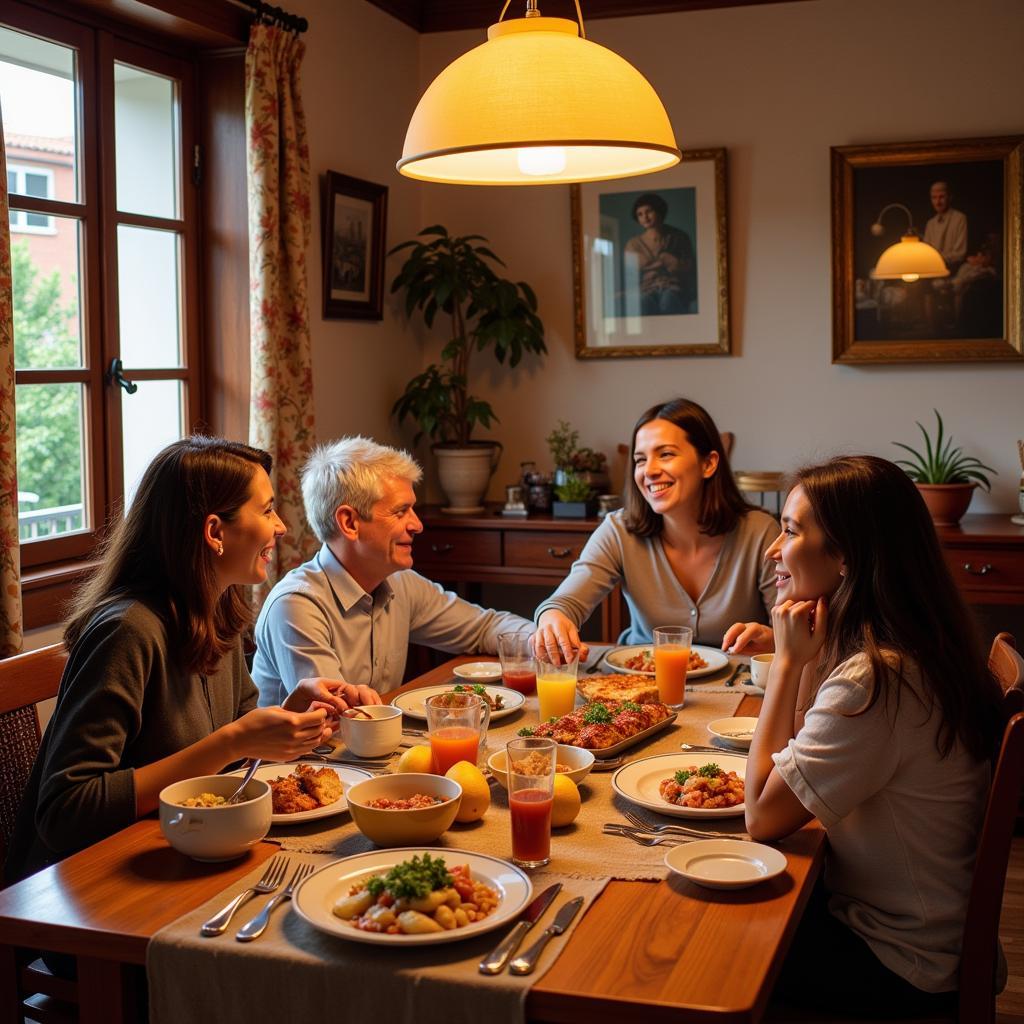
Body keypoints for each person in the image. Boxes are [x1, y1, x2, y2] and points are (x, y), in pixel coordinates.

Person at [5, 437, 366, 887]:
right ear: (215, 532)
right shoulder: (127, 632)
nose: (281, 528)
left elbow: (234, 740)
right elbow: (65, 812)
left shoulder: (217, 612)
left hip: (188, 853)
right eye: (267, 510)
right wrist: (233, 742)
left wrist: (291, 714)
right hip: (93, 892)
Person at [737, 455, 1003, 1017]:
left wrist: (786, 666)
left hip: (897, 962)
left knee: (712, 951)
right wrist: (807, 653)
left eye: (789, 530)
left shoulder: (877, 681)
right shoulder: (901, 648)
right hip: (914, 929)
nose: (772, 550)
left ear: (844, 557)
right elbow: (798, 746)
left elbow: (761, 818)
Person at [252, 437, 534, 705]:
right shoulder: (296, 606)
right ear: (349, 522)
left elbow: (483, 627)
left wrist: (546, 638)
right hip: (308, 756)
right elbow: (339, 721)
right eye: (401, 512)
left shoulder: (400, 583)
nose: (417, 525)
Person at [532, 398, 777, 664]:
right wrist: (553, 617)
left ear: (709, 464)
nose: (649, 470)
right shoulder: (618, 531)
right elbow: (564, 602)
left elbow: (800, 631)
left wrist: (774, 638)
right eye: (640, 460)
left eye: (666, 454)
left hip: (737, 686)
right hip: (637, 685)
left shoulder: (761, 533)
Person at [623, 192, 696, 316]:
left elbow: (690, 268)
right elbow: (630, 276)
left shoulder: (679, 237)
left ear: (659, 211)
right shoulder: (633, 244)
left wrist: (674, 264)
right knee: (644, 303)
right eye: (640, 214)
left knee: (668, 301)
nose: (645, 217)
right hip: (645, 289)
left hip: (673, 287)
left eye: (649, 211)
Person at [923, 180, 967, 273]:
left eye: (941, 197)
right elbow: (926, 253)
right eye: (934, 198)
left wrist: (935, 258)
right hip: (933, 270)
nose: (938, 202)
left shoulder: (959, 219)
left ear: (950, 197)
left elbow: (959, 254)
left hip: (953, 270)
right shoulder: (930, 223)